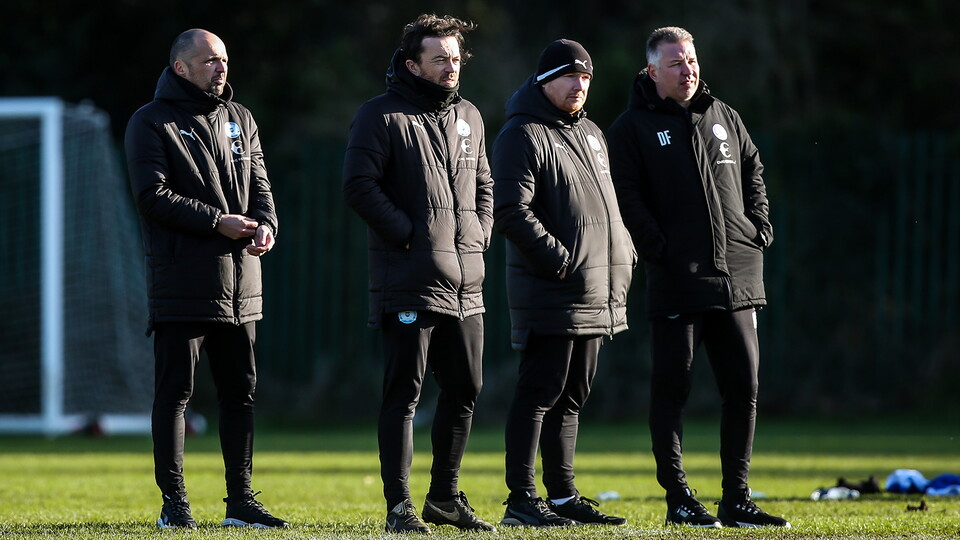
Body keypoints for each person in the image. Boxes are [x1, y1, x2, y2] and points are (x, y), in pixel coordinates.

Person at [606, 26, 790, 528]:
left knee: (744, 390)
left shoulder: (724, 115)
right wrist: (658, 247)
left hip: (738, 279)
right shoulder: (631, 129)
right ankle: (679, 499)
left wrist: (758, 228)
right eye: (675, 63)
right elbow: (627, 197)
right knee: (673, 391)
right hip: (678, 280)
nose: (687, 70)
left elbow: (753, 171)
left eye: (691, 61)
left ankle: (737, 498)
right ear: (652, 71)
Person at [125, 29, 288, 530]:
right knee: (176, 393)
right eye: (210, 60)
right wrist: (217, 221)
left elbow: (259, 183)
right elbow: (151, 196)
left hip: (243, 284)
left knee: (241, 393)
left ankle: (240, 501)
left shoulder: (240, 119)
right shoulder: (150, 122)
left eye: (224, 59)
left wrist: (267, 226)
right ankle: (174, 504)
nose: (221, 68)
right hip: (184, 282)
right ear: (181, 68)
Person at [342, 13, 496, 534]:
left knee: (466, 388)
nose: (451, 67)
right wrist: (410, 235)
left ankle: (445, 499)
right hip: (409, 277)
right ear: (413, 64)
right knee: (404, 393)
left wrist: (476, 236)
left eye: (455, 59)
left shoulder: (470, 116)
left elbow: (485, 187)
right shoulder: (380, 115)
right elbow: (359, 186)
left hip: (466, 281)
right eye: (440, 59)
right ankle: (398, 506)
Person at [492, 39, 635, 528]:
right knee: (540, 393)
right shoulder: (522, 134)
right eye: (569, 77)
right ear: (544, 81)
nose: (579, 86)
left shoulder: (592, 131)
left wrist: (624, 252)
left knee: (573, 395)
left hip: (596, 290)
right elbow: (510, 211)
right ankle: (521, 498)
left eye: (586, 78)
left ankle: (562, 496)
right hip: (554, 289)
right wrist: (561, 261)